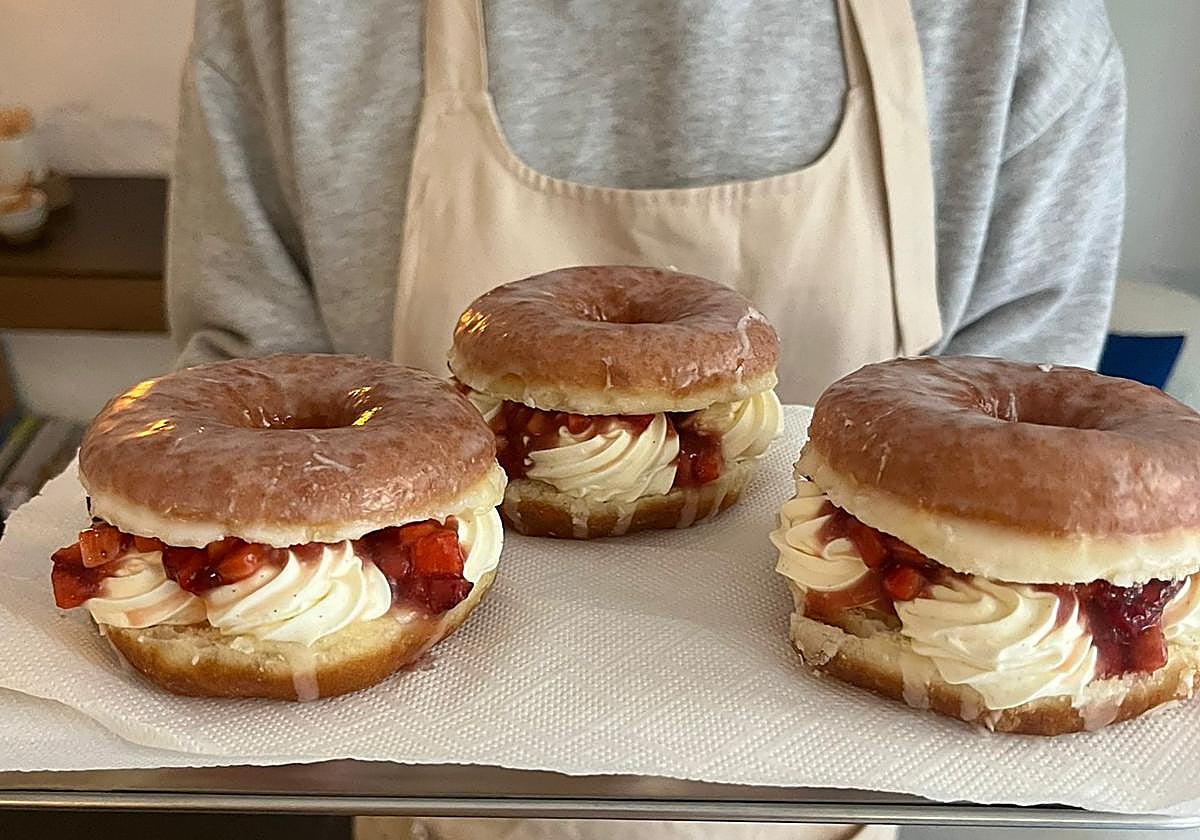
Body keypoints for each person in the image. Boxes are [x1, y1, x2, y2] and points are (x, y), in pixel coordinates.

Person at [165, 0, 1125, 836]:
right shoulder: (289, 14)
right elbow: (226, 410)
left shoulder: (1014, 17)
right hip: (409, 794)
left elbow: (1051, 500)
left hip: (849, 803)